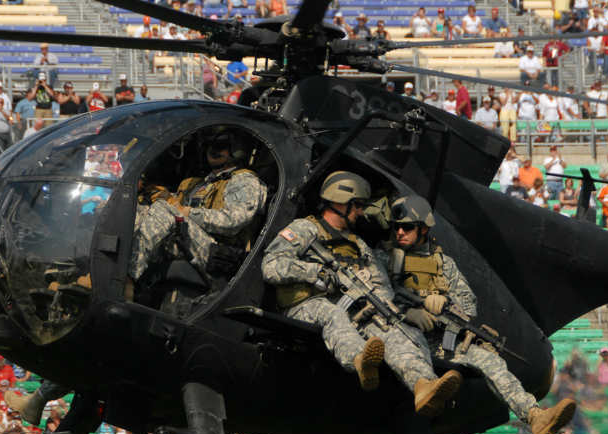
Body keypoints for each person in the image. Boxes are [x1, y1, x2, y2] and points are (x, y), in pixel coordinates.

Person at [379, 195, 576, 434]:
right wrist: (409, 311)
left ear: (424, 228)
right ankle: (426, 390)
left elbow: (468, 304)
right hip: (400, 335)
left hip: (439, 339)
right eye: (396, 227)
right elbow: (374, 291)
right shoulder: (385, 258)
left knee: (491, 361)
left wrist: (443, 303)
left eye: (407, 227)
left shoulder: (443, 264)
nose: (399, 232)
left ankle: (535, 416)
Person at [262, 172, 462, 415]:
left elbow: (380, 284)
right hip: (307, 304)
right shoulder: (305, 229)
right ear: (340, 202)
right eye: (357, 206)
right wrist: (316, 272)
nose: (360, 212)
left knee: (397, 331)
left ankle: (423, 385)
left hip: (355, 309)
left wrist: (392, 311)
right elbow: (271, 265)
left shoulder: (358, 244)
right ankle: (359, 360)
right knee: (331, 314)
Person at [130, 128, 268, 285]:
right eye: (210, 145)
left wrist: (186, 212)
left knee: (162, 209)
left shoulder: (244, 180)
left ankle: (129, 278)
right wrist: (168, 198)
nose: (213, 150)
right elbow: (177, 210)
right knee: (137, 211)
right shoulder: (200, 183)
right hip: (191, 241)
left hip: (219, 253)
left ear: (237, 150)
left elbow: (234, 221)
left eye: (221, 146)